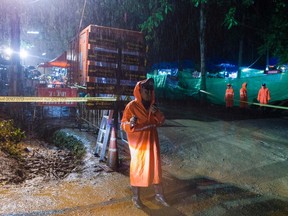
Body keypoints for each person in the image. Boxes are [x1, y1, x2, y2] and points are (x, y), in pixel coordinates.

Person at [121, 78, 169, 209]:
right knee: (138, 168)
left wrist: (157, 113)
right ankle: (136, 198)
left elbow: (161, 121)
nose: (148, 93)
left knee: (156, 169)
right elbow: (123, 124)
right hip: (139, 146)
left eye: (150, 90)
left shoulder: (153, 107)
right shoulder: (131, 106)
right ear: (139, 91)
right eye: (145, 90)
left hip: (152, 144)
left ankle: (159, 196)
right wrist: (131, 123)